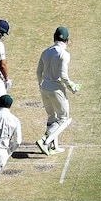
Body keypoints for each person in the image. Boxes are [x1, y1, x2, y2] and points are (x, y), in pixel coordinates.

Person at [35, 26, 81, 155]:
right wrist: (72, 87)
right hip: (56, 90)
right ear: (67, 40)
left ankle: (52, 147)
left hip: (44, 88)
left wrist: (41, 86)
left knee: (52, 117)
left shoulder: (45, 52)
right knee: (63, 119)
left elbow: (38, 72)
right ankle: (44, 140)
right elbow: (63, 75)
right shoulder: (64, 54)